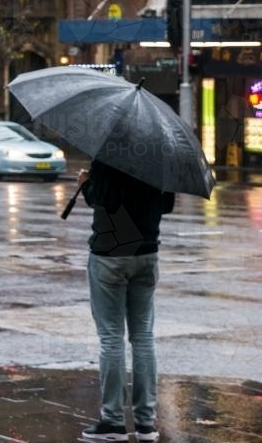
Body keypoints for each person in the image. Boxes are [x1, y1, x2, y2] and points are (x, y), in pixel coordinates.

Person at [77, 160, 175, 443]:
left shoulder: (109, 154)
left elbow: (103, 198)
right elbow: (166, 205)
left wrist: (86, 184)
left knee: (111, 337)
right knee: (143, 336)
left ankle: (113, 421)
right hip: (147, 252)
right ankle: (146, 424)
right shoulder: (159, 156)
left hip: (111, 253)